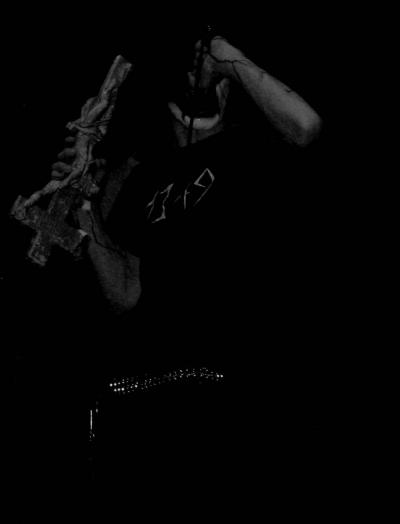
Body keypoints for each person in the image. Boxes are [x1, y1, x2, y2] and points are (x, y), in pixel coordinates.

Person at [49, 26, 325, 505]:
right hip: (144, 398)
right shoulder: (139, 177)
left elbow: (306, 125)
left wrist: (224, 54)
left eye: (220, 82)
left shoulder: (249, 150)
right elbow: (123, 294)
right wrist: (82, 202)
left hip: (230, 392)